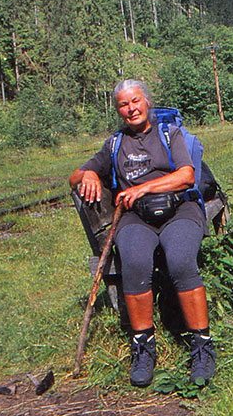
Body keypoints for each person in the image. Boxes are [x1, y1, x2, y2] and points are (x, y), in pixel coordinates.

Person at [69, 79, 216, 386]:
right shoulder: (114, 144)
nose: (131, 108)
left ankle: (202, 346)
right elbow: (75, 175)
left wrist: (144, 187)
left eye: (135, 101)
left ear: (147, 102)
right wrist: (88, 175)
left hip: (179, 210)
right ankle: (143, 347)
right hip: (136, 217)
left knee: (180, 261)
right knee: (134, 264)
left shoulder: (169, 133)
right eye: (123, 104)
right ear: (118, 110)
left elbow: (186, 176)